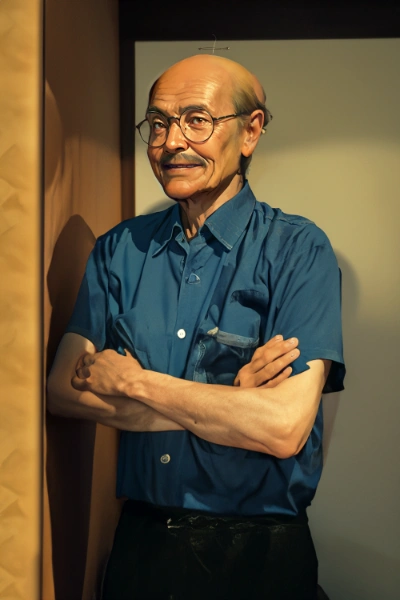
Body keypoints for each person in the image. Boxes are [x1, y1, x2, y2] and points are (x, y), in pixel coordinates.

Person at [47, 54, 345, 600]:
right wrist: (232, 406)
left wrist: (136, 382)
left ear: (250, 132)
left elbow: (283, 428)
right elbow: (64, 389)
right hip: (139, 546)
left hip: (260, 554)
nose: (172, 142)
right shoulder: (118, 250)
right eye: (158, 123)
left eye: (197, 120)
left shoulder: (299, 250)